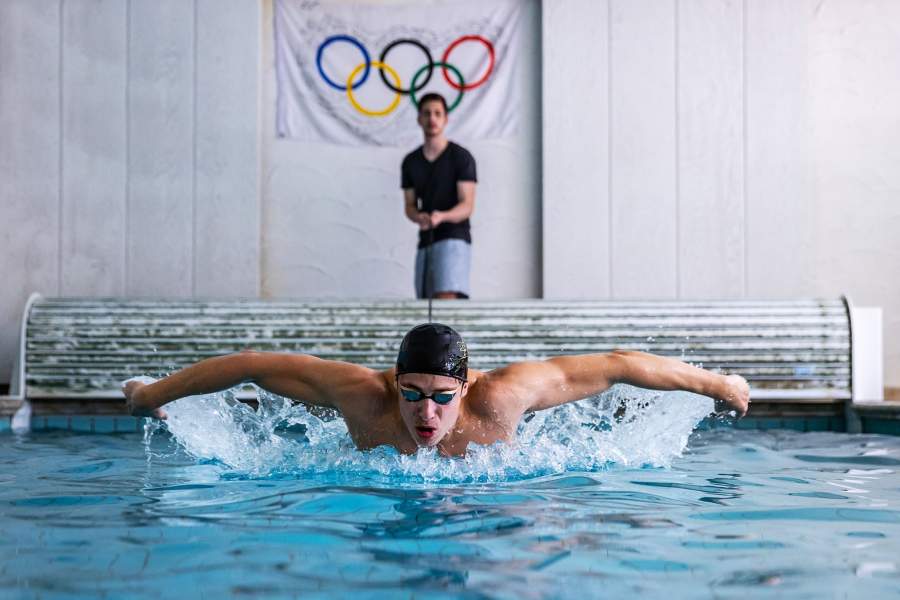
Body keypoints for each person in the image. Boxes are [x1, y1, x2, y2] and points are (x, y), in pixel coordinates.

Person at [123, 323, 750, 457]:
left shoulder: (501, 396)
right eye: (413, 393)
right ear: (393, 383)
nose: (427, 412)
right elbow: (252, 364)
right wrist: (152, 396)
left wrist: (718, 384)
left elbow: (617, 365)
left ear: (465, 386)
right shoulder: (362, 395)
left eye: (443, 396)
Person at [401, 93, 476, 299]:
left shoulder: (461, 157)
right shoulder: (410, 162)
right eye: (427, 113)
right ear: (419, 119)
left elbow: (467, 205)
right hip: (426, 241)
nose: (432, 118)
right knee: (426, 303)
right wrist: (418, 217)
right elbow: (409, 205)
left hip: (454, 238)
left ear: (445, 119)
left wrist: (442, 216)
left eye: (437, 113)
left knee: (446, 300)